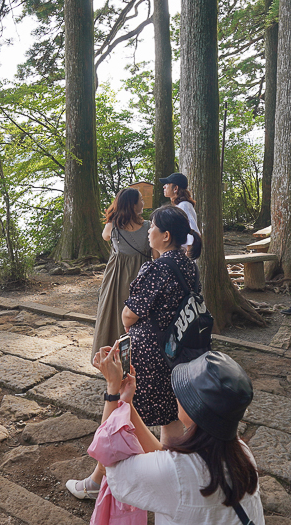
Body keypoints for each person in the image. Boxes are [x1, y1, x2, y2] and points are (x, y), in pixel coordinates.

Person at [68, 205, 202, 501]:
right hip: (178, 353)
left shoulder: (157, 267)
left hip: (150, 355)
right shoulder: (188, 265)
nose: (149, 231)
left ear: (165, 236)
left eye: (153, 227)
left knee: (121, 414)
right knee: (170, 417)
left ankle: (97, 480)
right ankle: (173, 477)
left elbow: (129, 315)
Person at [87, 346, 264, 525]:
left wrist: (112, 391)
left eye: (184, 391)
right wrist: (126, 403)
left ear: (197, 410)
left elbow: (107, 461)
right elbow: (167, 461)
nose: (176, 395)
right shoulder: (241, 453)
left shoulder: (174, 475)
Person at [93, 187, 152, 359]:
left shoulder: (112, 227)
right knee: (140, 317)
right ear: (133, 205)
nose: (143, 202)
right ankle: (139, 358)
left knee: (114, 314)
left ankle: (112, 357)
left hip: (117, 279)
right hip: (142, 277)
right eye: (140, 199)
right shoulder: (149, 226)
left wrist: (113, 218)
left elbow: (105, 236)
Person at [161, 173, 199, 251]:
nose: (164, 186)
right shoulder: (180, 206)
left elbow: (191, 231)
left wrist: (188, 256)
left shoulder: (184, 206)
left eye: (167, 184)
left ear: (175, 188)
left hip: (183, 255)